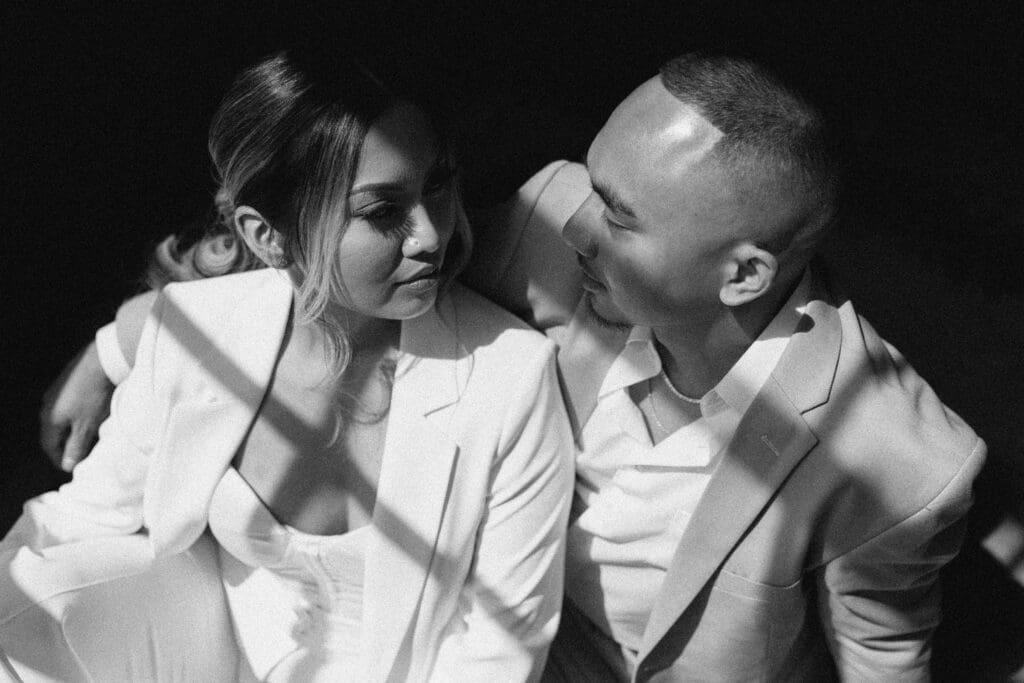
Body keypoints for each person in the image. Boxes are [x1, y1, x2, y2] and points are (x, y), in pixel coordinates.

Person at [37, 53, 984, 681]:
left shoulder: (900, 464)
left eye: (618, 217)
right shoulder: (544, 226)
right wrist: (123, 338)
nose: (579, 222)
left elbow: (884, 666)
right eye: (594, 183)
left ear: (742, 275)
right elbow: (330, 268)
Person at [2, 50, 573, 682]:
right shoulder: (195, 327)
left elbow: (498, 652)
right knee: (25, 594)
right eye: (383, 211)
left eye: (436, 186)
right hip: (212, 649)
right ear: (267, 236)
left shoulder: (511, 375)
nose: (431, 236)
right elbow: (81, 519)